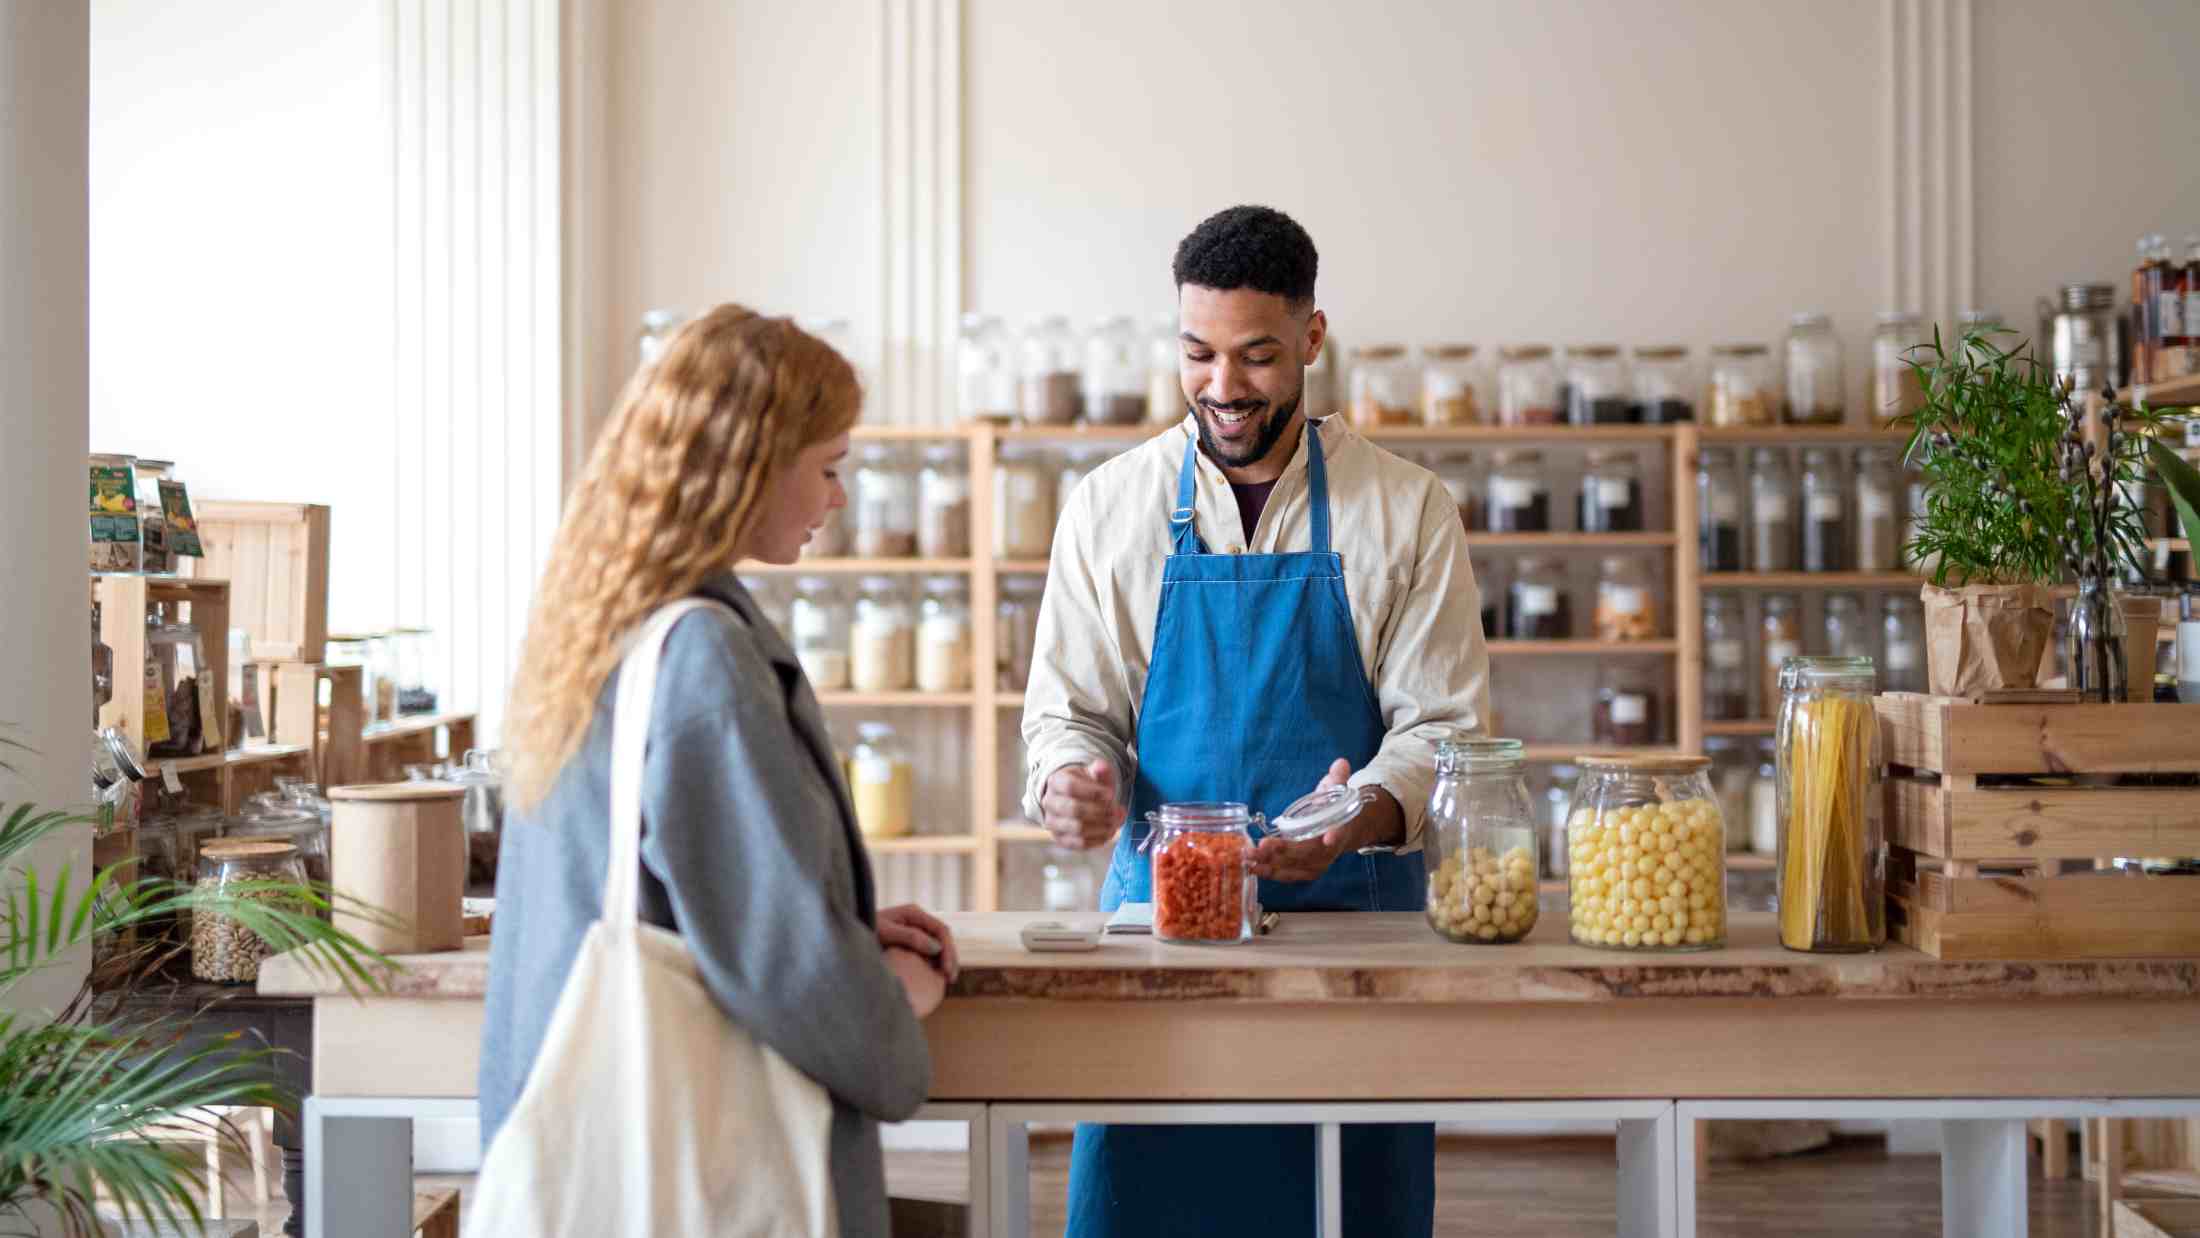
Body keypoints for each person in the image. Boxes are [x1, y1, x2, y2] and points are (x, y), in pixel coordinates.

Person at [1024, 205, 1490, 1237]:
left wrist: (1355, 811)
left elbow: (1440, 728)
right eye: (1197, 353)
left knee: (1347, 1210)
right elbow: (1071, 712)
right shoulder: (1110, 505)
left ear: (1312, 339)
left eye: (1256, 355)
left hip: (1355, 943)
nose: (1223, 387)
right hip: (1161, 940)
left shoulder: (1405, 508)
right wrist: (1071, 777)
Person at [481, 305, 958, 1238]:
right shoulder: (705, 654)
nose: (838, 498)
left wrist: (841, 921)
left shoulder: (600, 624)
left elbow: (681, 896)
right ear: (748, 470)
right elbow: (784, 968)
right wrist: (893, 994)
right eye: (827, 468)